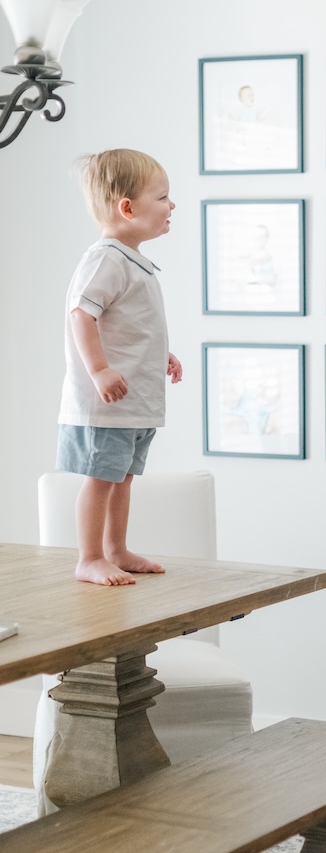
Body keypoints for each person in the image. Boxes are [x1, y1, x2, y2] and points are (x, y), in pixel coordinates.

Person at [56, 148, 182, 587]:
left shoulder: (133, 261)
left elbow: (132, 325)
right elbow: (81, 315)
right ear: (127, 208)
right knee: (102, 477)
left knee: (123, 477)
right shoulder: (106, 257)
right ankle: (89, 557)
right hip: (106, 404)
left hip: (133, 405)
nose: (172, 206)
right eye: (163, 197)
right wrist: (99, 371)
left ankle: (116, 549)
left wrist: (161, 354)